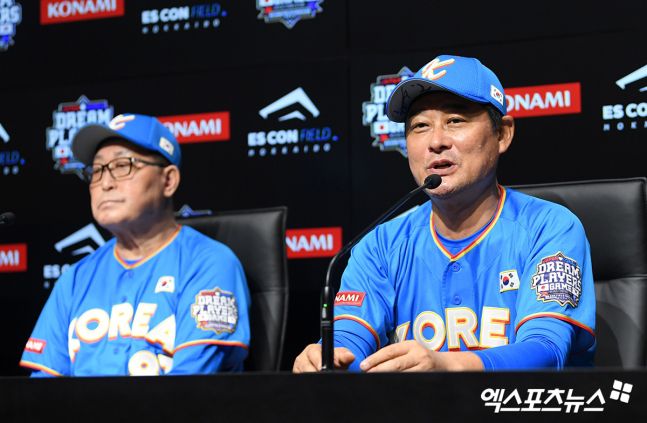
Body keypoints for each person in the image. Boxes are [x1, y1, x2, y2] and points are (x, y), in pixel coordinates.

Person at [293, 54, 596, 372]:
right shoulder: (380, 245)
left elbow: (547, 350)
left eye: (455, 120)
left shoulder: (548, 227)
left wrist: (447, 368)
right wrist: (328, 357)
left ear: (502, 134)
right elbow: (349, 340)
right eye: (420, 126)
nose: (436, 141)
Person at [20, 113, 250, 376]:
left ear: (168, 181)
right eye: (97, 170)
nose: (105, 183)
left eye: (123, 165)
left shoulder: (209, 264)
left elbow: (191, 387)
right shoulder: (74, 279)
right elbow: (43, 389)